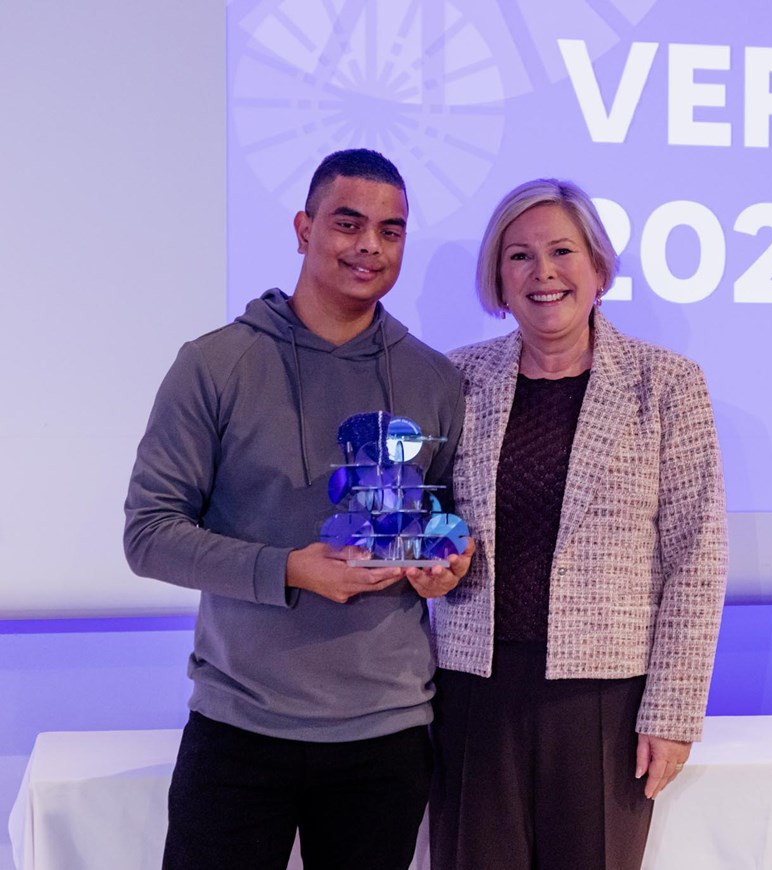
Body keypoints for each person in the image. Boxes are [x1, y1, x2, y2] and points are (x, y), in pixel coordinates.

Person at [124, 148, 471, 870]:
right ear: (303, 228)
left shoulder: (436, 379)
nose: (370, 245)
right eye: (348, 223)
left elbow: (444, 525)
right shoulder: (214, 365)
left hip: (386, 732)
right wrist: (290, 569)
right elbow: (149, 534)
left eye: (391, 230)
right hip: (239, 723)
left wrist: (447, 565)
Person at [428, 179, 728, 870]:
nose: (544, 272)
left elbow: (697, 556)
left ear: (598, 267)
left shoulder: (666, 383)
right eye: (519, 256)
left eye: (562, 251)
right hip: (473, 692)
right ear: (498, 280)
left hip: (606, 701)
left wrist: (673, 712)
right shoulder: (456, 380)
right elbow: (427, 515)